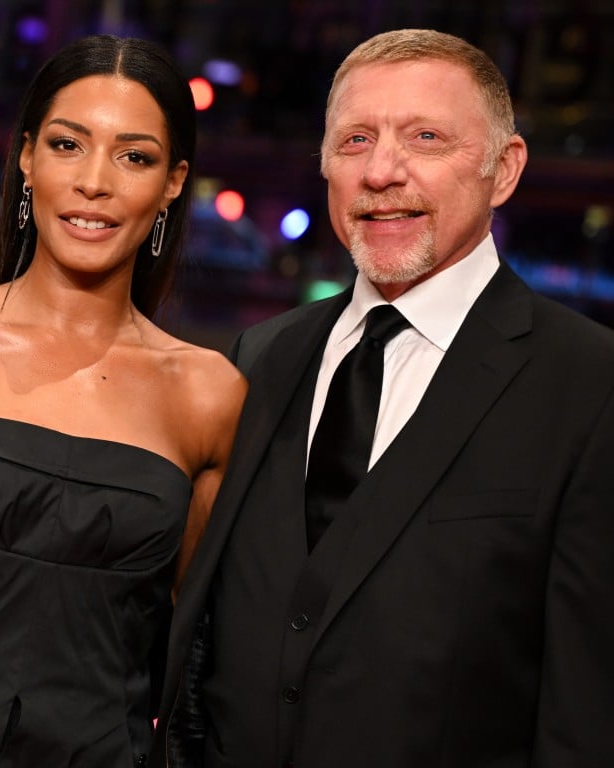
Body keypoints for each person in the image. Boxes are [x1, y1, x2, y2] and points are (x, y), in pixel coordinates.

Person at [151, 28, 614, 768]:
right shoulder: (263, 357)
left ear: (504, 169)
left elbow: (588, 713)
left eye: (425, 137)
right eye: (355, 140)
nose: (381, 172)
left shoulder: (591, 385)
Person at [0, 34, 246, 767]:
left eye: (134, 156)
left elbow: (203, 646)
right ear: (26, 157)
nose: (94, 181)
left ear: (172, 182)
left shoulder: (209, 394)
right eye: (68, 144)